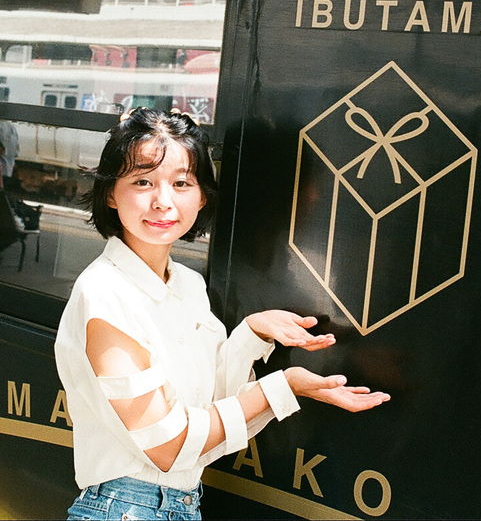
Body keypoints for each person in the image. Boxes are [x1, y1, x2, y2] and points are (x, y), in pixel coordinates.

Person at [55, 109, 390, 520]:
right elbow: (168, 446)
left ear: (201, 197)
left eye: (181, 183)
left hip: (180, 505)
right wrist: (282, 387)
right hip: (123, 507)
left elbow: (210, 419)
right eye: (143, 181)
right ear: (110, 193)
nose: (163, 201)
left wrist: (252, 334)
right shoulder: (104, 293)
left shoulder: (188, 284)